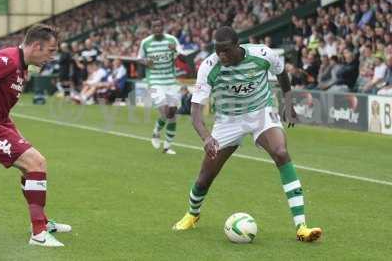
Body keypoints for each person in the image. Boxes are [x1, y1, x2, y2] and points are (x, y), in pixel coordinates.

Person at [172, 26, 322, 242]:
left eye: (226, 51)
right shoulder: (208, 67)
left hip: (260, 112)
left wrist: (288, 104)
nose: (221, 55)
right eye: (218, 51)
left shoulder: (262, 54)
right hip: (228, 121)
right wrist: (207, 137)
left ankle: (302, 227)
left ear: (237, 46)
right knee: (205, 177)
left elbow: (281, 73)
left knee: (280, 152)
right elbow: (195, 113)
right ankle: (192, 215)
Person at [0, 24, 71, 247]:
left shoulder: (22, 67)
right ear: (36, 46)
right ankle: (38, 234)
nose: (52, 57)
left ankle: (42, 223)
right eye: (51, 50)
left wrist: (11, 127)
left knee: (33, 166)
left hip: (1, 122)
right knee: (36, 162)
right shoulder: (6, 60)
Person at [137, 19, 182, 154]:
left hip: (171, 81)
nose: (157, 28)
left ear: (163, 27)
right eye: (154, 26)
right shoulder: (145, 42)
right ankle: (156, 132)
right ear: (151, 29)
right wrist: (146, 61)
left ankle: (167, 146)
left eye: (159, 26)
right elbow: (139, 58)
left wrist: (176, 50)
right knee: (164, 111)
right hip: (155, 81)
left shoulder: (172, 39)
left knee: (172, 113)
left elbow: (182, 55)